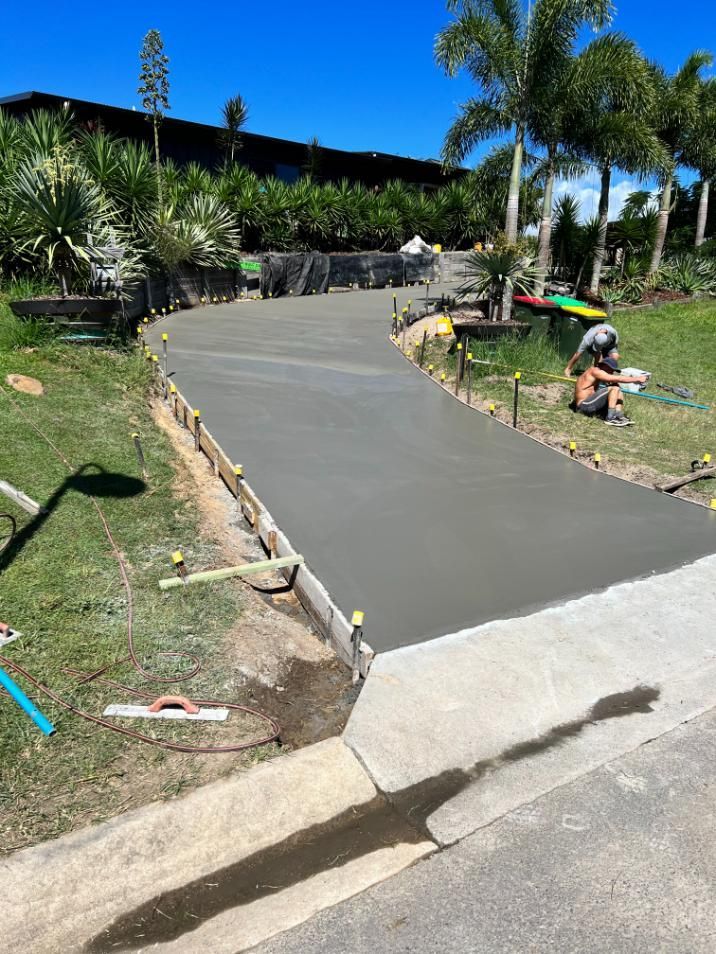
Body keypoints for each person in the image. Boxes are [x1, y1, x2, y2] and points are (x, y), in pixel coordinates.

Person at [574, 357, 648, 427]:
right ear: (605, 366)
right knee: (614, 388)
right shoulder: (595, 371)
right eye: (611, 369)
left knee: (616, 387)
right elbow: (617, 378)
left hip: (590, 404)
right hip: (583, 406)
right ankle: (610, 418)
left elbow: (614, 382)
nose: (612, 372)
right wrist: (637, 379)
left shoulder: (599, 372)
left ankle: (618, 415)